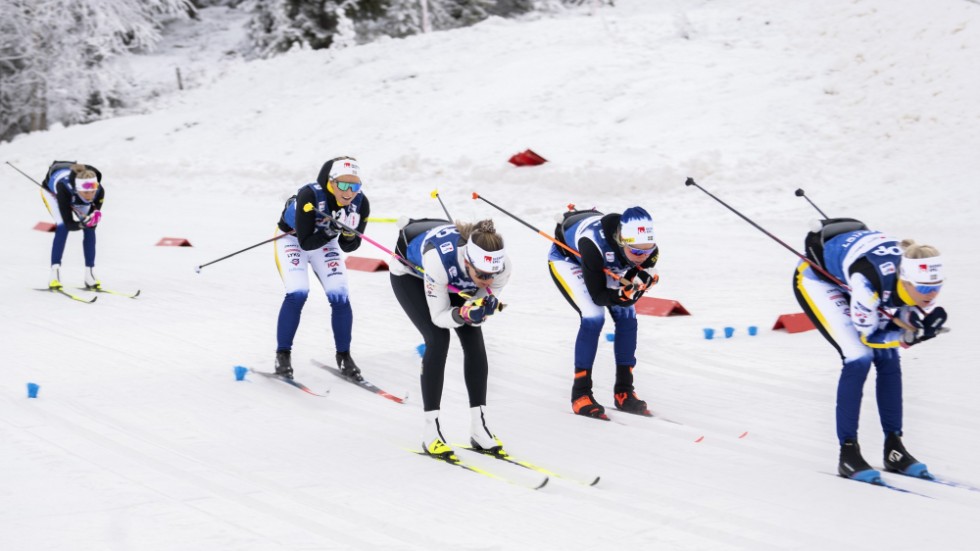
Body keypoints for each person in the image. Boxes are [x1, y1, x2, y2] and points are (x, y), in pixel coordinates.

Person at [793, 218, 948, 482]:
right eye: (924, 288)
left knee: (889, 360)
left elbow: (905, 316)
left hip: (862, 275)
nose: (931, 294)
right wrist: (908, 336)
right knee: (859, 357)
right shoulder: (869, 282)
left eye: (936, 287)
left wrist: (915, 326)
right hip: (818, 280)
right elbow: (871, 336)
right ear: (906, 280)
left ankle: (894, 448)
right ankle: (849, 453)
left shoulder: (920, 279)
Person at [389, 217, 510, 459]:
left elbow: (480, 307)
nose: (488, 281)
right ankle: (430, 430)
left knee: (474, 340)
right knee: (437, 339)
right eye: (482, 274)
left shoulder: (502, 267)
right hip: (411, 275)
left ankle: (479, 426)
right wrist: (463, 313)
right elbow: (439, 317)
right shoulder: (438, 261)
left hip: (454, 282)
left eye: (492, 275)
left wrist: (475, 313)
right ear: (467, 260)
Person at [547, 206, 659, 419]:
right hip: (571, 259)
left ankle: (624, 391)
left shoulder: (647, 252)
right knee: (593, 316)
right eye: (636, 252)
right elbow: (598, 295)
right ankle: (580, 393)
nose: (642, 257)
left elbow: (636, 277)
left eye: (647, 251)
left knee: (627, 317)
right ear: (621, 241)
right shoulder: (593, 245)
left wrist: (639, 284)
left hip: (608, 262)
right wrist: (623, 295)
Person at [272, 156, 370, 380]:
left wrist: (347, 233)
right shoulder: (310, 195)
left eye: (355, 186)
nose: (349, 192)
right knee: (298, 292)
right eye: (343, 185)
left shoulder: (360, 203)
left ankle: (344, 356)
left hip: (324, 243)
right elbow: (306, 242)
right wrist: (331, 230)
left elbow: (351, 246)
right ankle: (283, 355)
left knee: (340, 294)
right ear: (332, 182)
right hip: (292, 239)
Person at [40, 161, 105, 289]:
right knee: (63, 226)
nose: (90, 196)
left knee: (91, 228)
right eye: (86, 192)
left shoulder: (99, 191)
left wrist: (91, 219)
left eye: (93, 191)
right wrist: (81, 224)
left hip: (75, 195)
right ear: (77, 188)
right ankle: (54, 274)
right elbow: (70, 224)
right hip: (53, 193)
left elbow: (92, 217)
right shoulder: (64, 187)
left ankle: (90, 274)